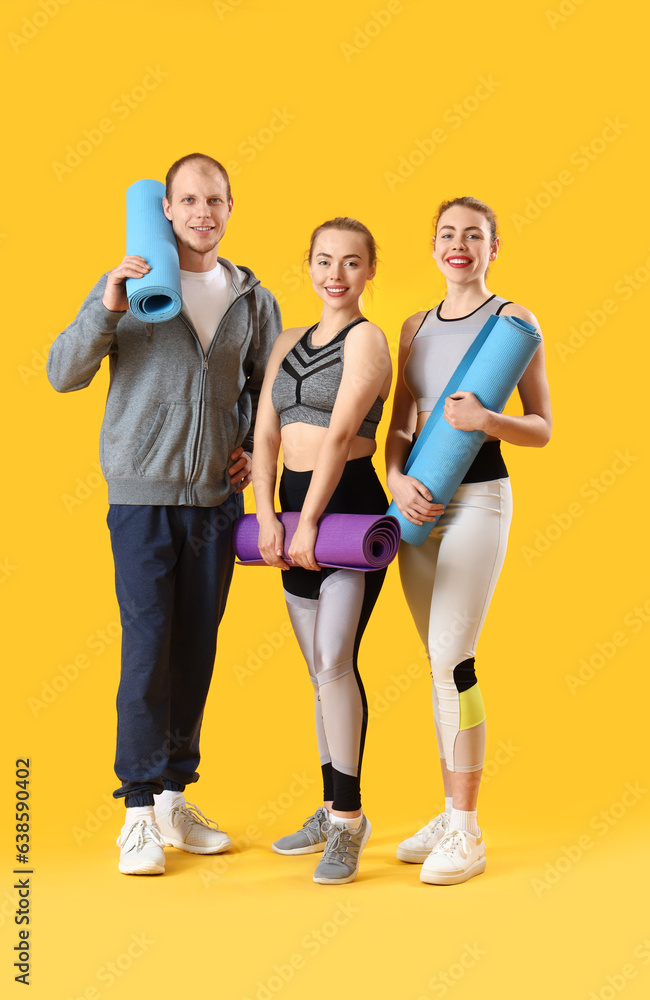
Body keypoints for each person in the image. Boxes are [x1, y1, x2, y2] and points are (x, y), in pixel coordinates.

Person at [47, 153, 282, 875]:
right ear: (168, 210)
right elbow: (63, 372)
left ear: (230, 206)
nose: (202, 211)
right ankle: (138, 812)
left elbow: (270, 394)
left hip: (217, 501)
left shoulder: (252, 296)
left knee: (196, 648)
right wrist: (110, 300)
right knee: (147, 648)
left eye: (215, 198)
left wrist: (247, 447)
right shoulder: (133, 280)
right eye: (188, 199)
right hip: (143, 497)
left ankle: (177, 799)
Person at [386, 196, 551, 885]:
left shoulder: (515, 322)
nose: (459, 245)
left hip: (480, 500)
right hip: (417, 508)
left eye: (474, 236)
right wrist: (395, 480)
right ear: (432, 248)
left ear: (493, 248)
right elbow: (398, 426)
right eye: (448, 235)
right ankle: (450, 811)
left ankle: (468, 831)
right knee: (434, 659)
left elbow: (541, 426)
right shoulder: (414, 326)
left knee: (455, 659)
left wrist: (488, 419)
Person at [252, 217, 391, 885]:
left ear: (369, 271)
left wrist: (306, 525)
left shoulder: (369, 340)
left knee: (336, 660)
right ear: (308, 265)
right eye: (324, 260)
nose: (336, 273)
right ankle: (330, 802)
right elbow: (265, 436)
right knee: (317, 670)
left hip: (348, 509)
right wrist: (265, 515)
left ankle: (349, 822)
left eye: (352, 263)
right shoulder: (285, 341)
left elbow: (337, 439)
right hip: (287, 508)